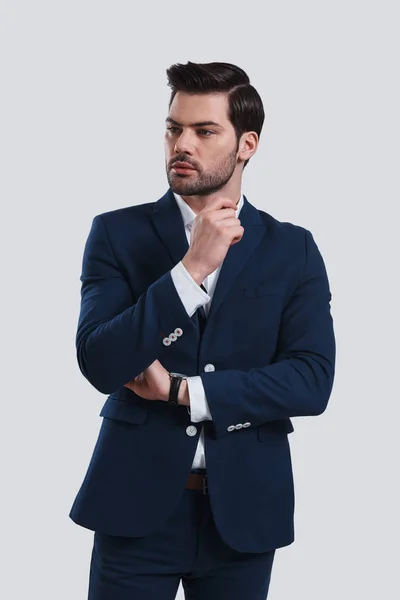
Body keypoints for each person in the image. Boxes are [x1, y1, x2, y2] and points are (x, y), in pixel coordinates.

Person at [69, 61, 336, 599]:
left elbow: (312, 381)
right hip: (133, 507)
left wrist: (185, 392)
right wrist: (189, 272)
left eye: (204, 130)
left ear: (247, 144)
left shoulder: (294, 248)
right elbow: (101, 361)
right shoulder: (116, 234)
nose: (180, 144)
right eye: (173, 128)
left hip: (244, 514)